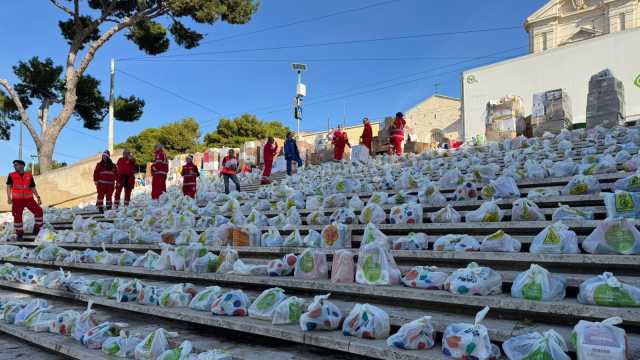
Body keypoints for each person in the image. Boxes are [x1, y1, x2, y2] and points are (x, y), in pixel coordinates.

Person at [6, 160, 43, 241]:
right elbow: (8, 186)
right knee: (17, 216)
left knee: (39, 211)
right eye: (14, 165)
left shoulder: (29, 175)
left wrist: (38, 197)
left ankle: (37, 228)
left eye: (16, 165)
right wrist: (9, 197)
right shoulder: (11, 175)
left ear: (22, 166)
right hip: (17, 200)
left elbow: (33, 187)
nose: (14, 166)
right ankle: (19, 234)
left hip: (29, 199)